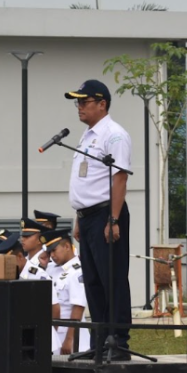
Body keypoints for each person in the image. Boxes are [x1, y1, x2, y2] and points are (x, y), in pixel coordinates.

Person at [63, 79, 132, 357]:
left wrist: (113, 219)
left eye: (84, 102)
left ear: (102, 104)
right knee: (92, 280)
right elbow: (87, 180)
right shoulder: (88, 134)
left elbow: (119, 178)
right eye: (77, 102)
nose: (79, 107)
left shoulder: (114, 135)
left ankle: (119, 341)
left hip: (107, 214)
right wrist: (80, 217)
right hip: (89, 216)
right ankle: (100, 340)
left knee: (111, 278)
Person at [42, 230, 89, 355]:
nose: (51, 255)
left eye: (54, 250)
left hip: (70, 337)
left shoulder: (77, 271)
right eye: (49, 252)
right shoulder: (51, 268)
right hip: (54, 334)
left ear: (67, 246)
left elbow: (78, 307)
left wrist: (69, 339)